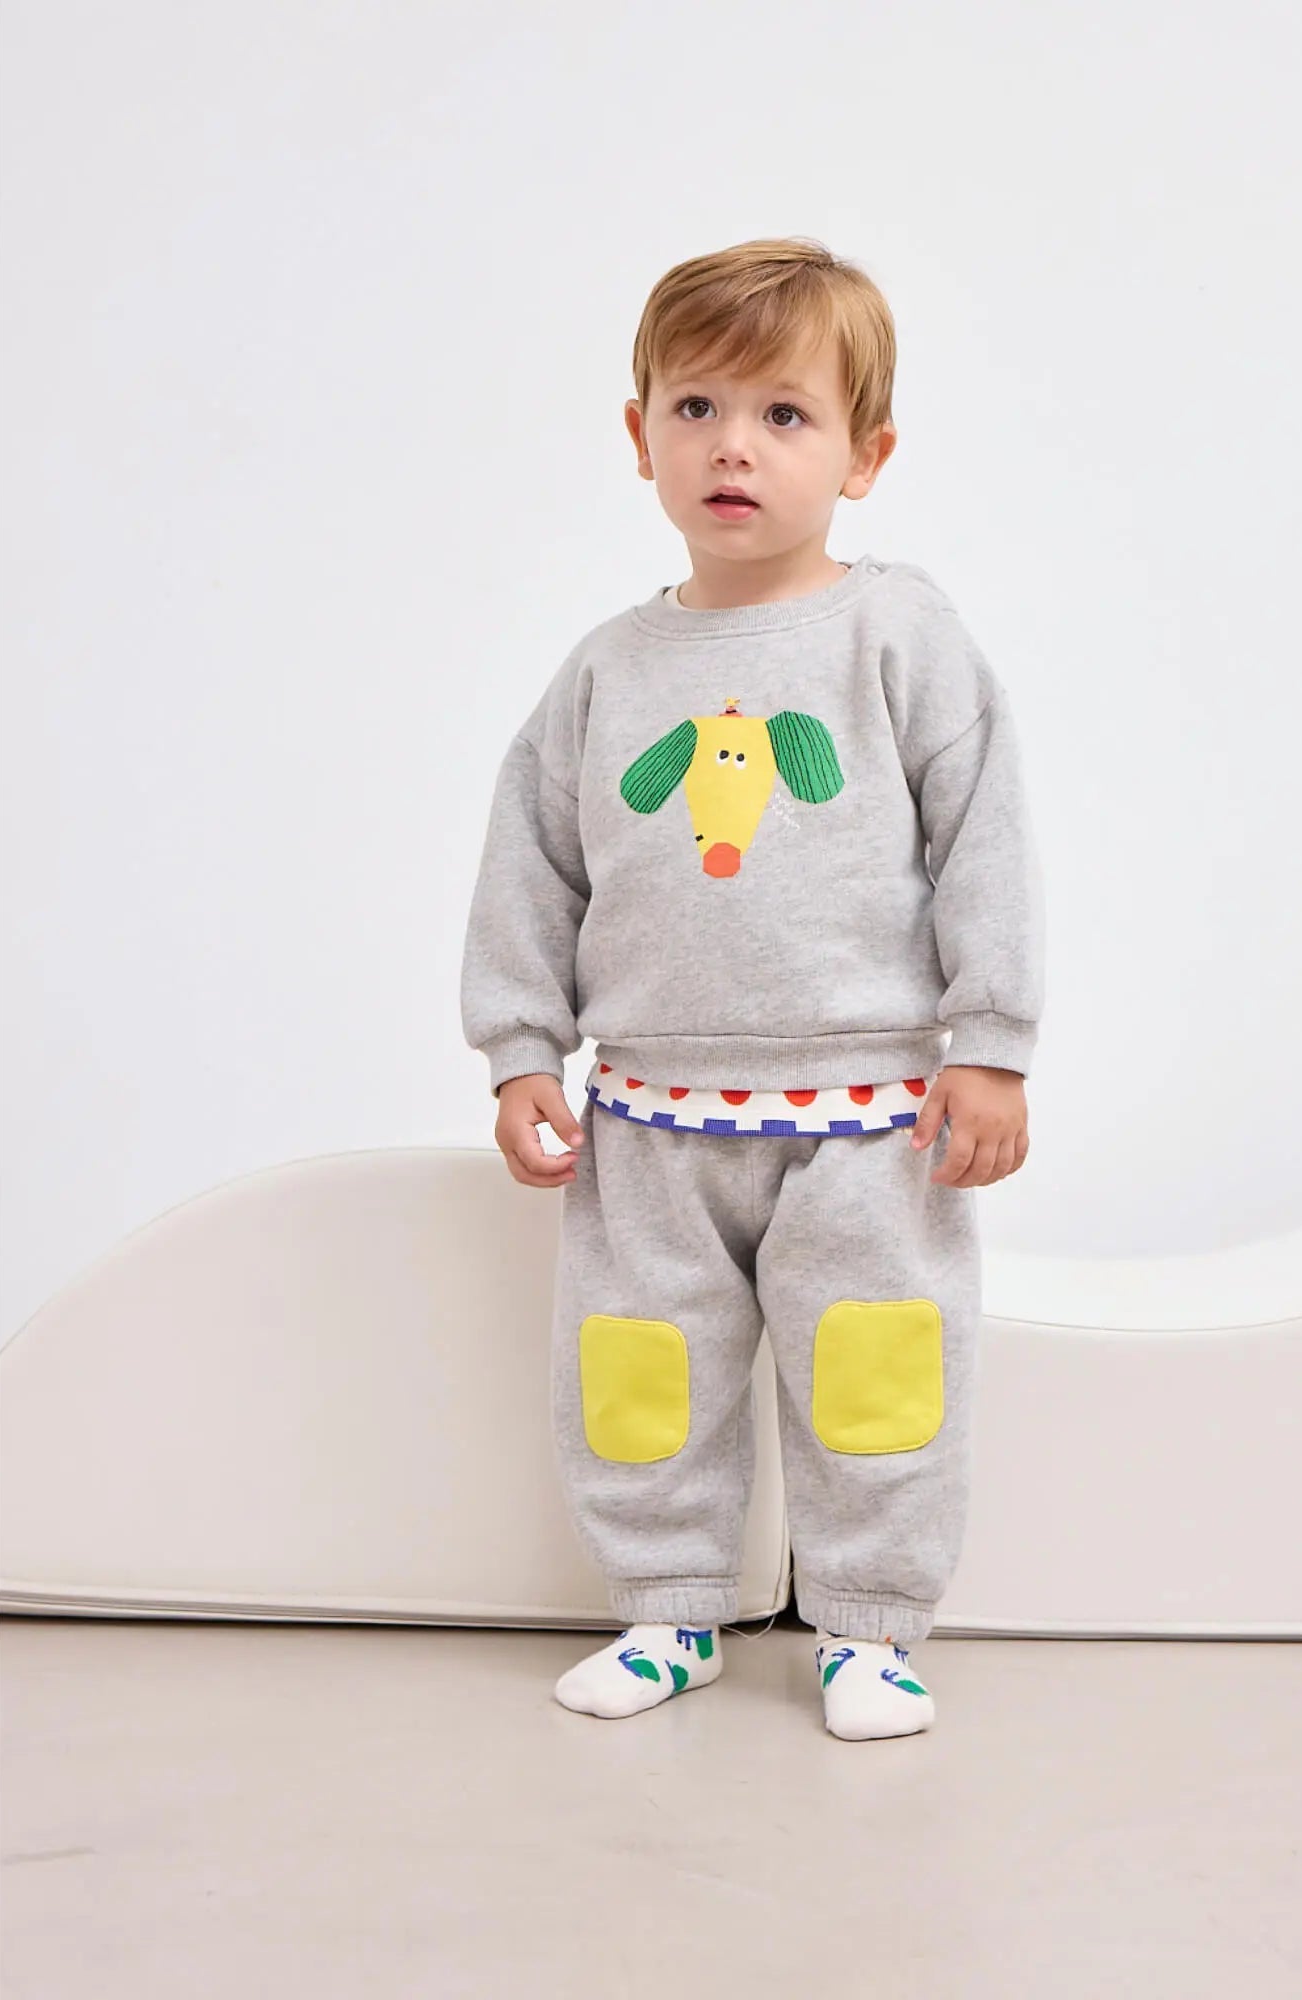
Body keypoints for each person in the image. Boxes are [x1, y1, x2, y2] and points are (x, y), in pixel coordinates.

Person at [459, 236, 1045, 1741]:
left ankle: (867, 1627)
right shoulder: (606, 671)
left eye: (785, 414)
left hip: (872, 1112)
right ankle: (668, 1612)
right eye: (697, 406)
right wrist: (520, 1050)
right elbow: (533, 865)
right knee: (643, 1370)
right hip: (649, 1113)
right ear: (639, 434)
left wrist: (991, 1041)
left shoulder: (899, 634)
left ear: (865, 454)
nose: (735, 445)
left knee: (875, 1370)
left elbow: (983, 839)